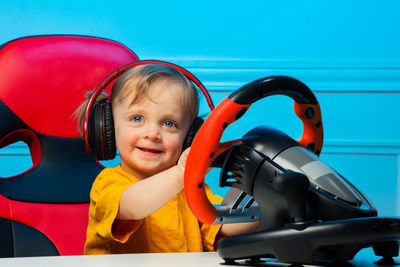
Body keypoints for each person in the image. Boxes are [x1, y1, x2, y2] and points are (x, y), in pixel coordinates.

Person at [75, 64, 258, 255]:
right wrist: (181, 173)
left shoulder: (192, 188)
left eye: (169, 123)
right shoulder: (107, 184)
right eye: (137, 119)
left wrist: (268, 211)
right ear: (109, 128)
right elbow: (134, 205)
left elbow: (223, 226)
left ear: (189, 137)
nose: (153, 134)